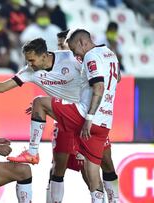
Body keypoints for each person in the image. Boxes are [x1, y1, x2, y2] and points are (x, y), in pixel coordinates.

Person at [0, 36, 88, 202]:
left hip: (84, 115)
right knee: (57, 169)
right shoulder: (29, 71)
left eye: (32, 60)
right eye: (27, 60)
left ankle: (32, 153)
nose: (29, 64)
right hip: (63, 119)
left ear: (45, 55)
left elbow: (93, 75)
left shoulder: (69, 57)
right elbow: (3, 87)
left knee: (91, 171)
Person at [47, 30, 119, 203]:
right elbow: (118, 78)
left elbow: (99, 87)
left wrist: (89, 116)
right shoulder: (110, 54)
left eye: (73, 49)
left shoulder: (90, 57)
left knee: (40, 104)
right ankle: (113, 200)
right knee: (89, 169)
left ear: (81, 42)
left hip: (86, 115)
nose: (73, 54)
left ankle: (32, 151)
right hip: (105, 119)